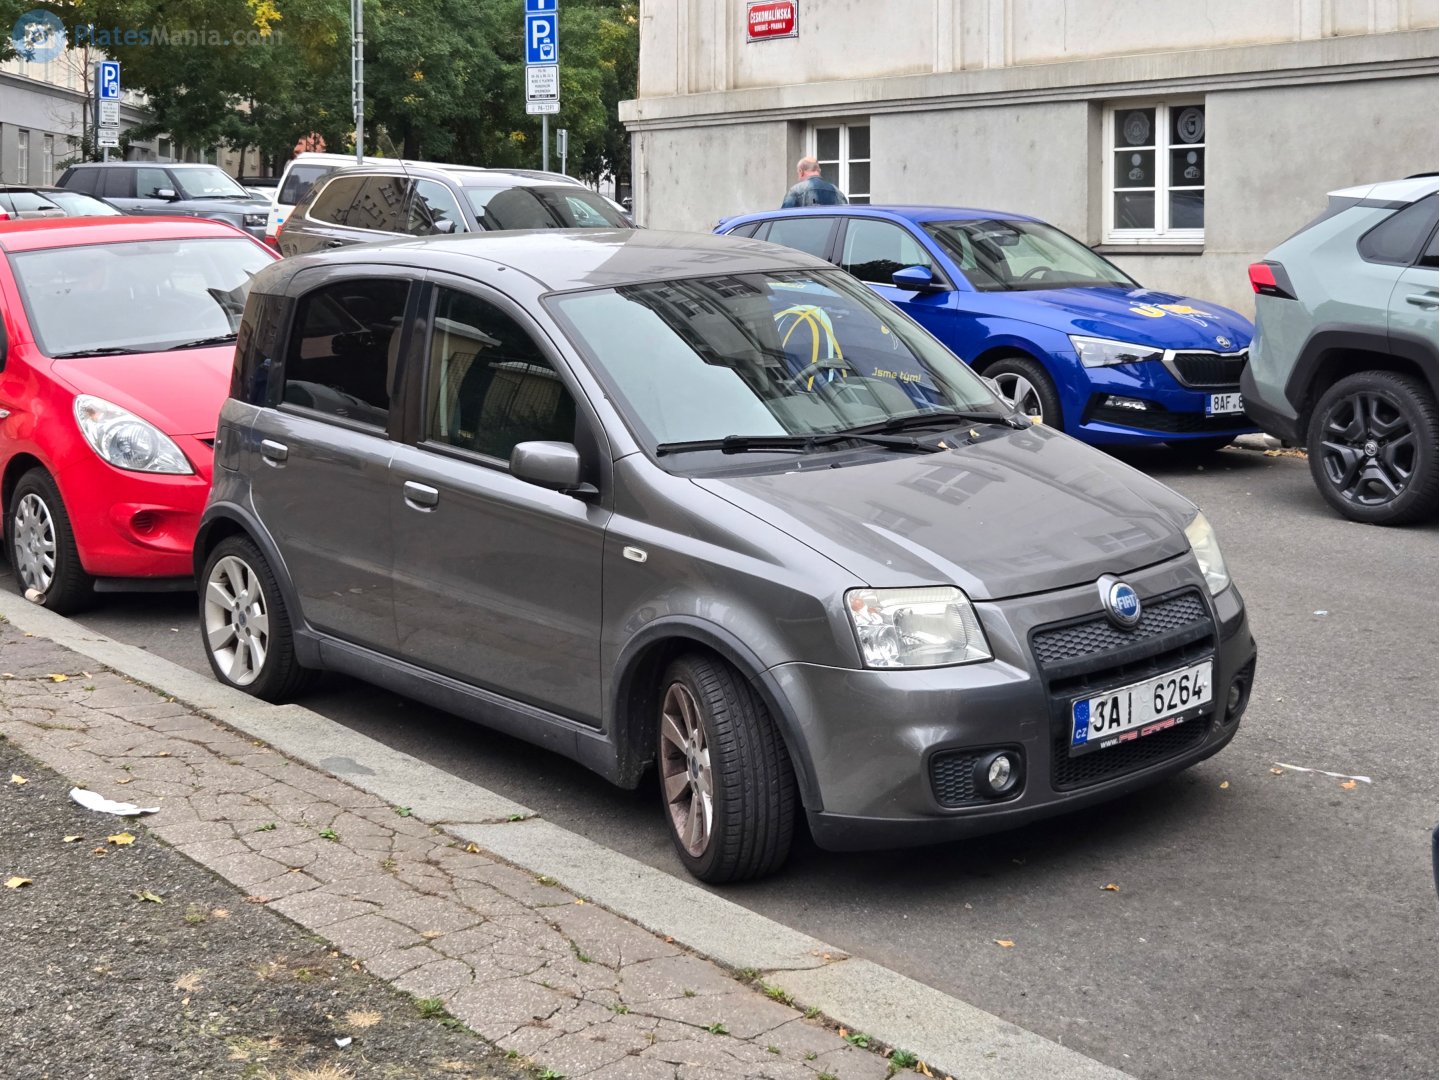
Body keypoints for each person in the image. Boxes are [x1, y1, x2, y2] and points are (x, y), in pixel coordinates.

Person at [780, 156, 848, 208]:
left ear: (801, 172)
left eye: (798, 173)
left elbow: (784, 219)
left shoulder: (796, 191)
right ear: (819, 171)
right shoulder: (836, 191)